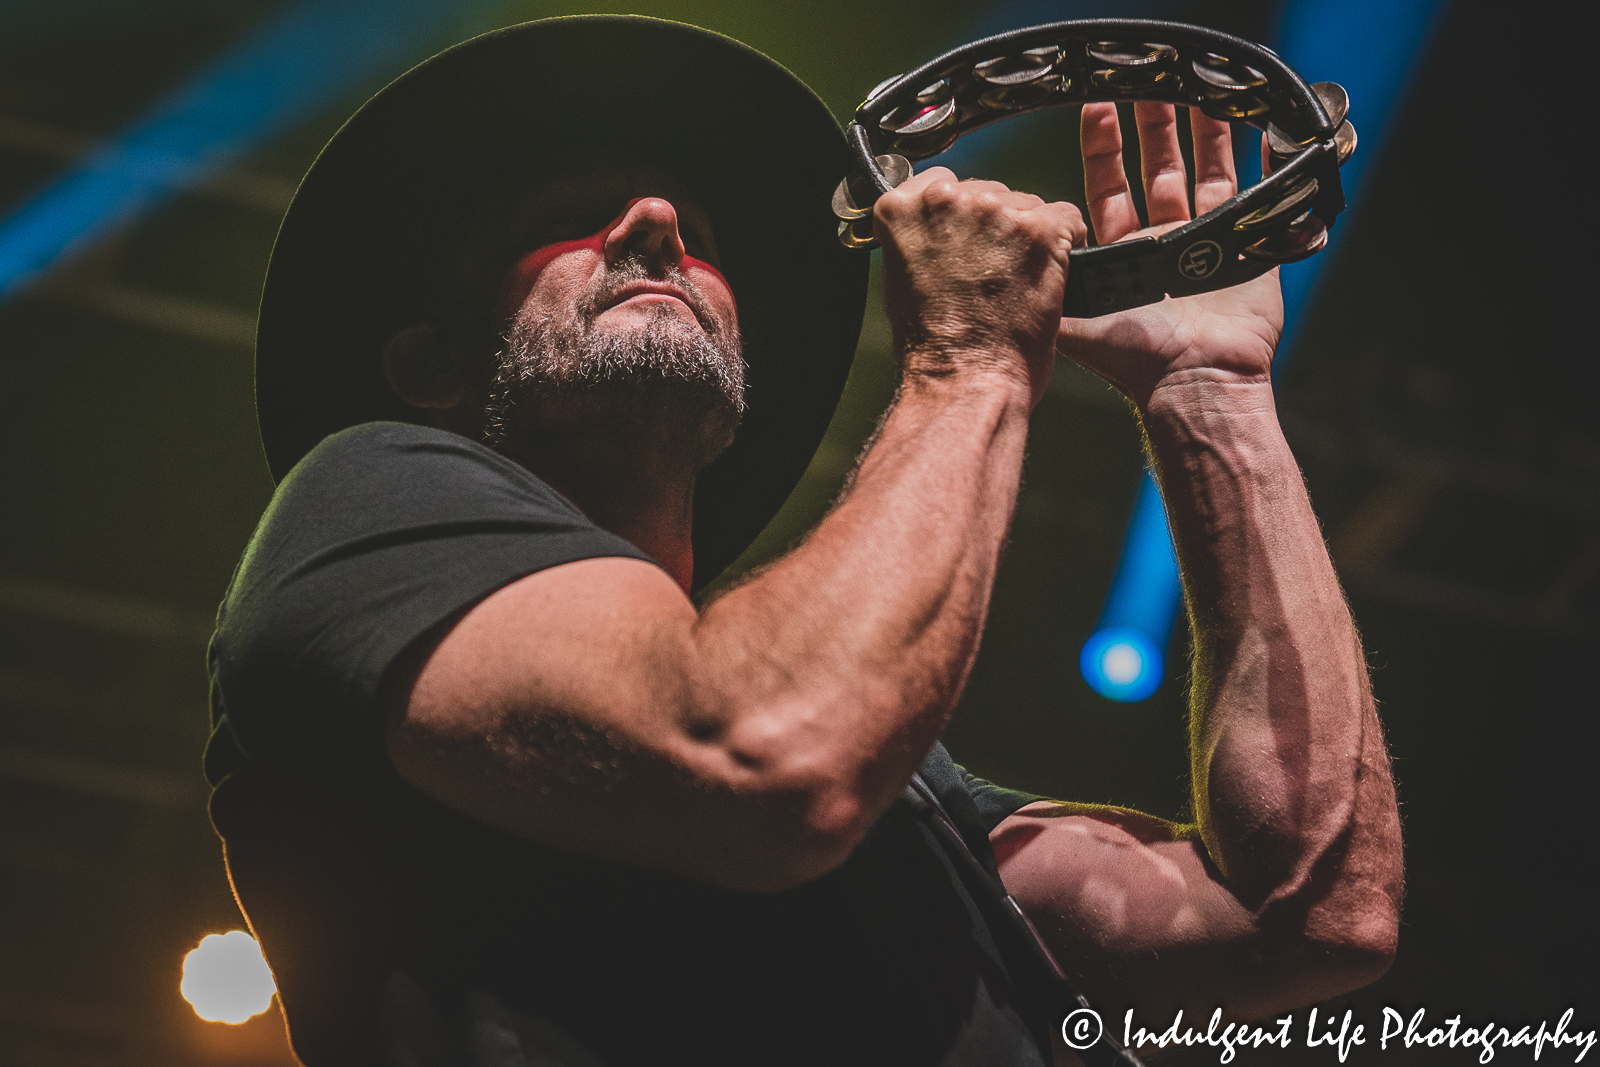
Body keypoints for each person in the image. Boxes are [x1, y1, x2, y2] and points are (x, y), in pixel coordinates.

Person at [203, 15, 1403, 1067]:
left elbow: (1305, 916)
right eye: (570, 221)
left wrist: (1210, 394)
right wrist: (969, 355)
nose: (661, 223)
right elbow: (765, 754)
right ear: (432, 364)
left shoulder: (921, 800)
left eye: (701, 232)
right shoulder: (360, 505)